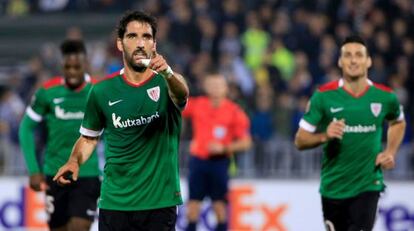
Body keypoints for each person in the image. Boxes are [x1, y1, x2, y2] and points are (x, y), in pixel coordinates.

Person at [53, 11, 189, 231]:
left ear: (154, 44)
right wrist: (74, 161)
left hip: (159, 204)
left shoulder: (167, 83)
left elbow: (182, 95)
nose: (140, 43)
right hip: (115, 203)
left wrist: (169, 73)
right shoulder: (102, 91)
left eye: (146, 37)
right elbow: (89, 138)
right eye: (132, 36)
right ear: (120, 43)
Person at [294, 35, 406, 231]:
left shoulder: (385, 96)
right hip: (334, 187)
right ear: (340, 61)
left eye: (359, 55)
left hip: (368, 184)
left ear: (368, 61)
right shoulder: (323, 96)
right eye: (347, 55)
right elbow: (300, 140)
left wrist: (390, 152)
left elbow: (398, 122)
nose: (353, 60)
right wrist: (324, 136)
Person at [19, 39, 100, 231]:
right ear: (61, 65)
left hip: (87, 173)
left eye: (76, 67)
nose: (72, 72)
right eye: (67, 67)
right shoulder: (47, 92)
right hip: (54, 172)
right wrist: (33, 170)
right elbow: (25, 128)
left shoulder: (97, 91)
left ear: (85, 64)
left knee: (80, 226)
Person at [182, 72, 252, 231]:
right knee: (193, 205)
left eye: (218, 85)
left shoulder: (234, 111)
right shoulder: (198, 104)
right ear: (205, 87)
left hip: (219, 162)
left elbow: (246, 143)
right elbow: (176, 106)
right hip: (198, 161)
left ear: (226, 88)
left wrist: (225, 148)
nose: (215, 88)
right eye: (211, 85)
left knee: (219, 206)